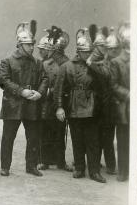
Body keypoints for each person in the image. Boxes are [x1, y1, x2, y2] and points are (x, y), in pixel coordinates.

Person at [55, 28, 105, 183]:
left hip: (92, 107)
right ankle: (79, 168)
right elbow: (59, 89)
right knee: (77, 139)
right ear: (78, 52)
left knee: (93, 141)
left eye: (89, 52)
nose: (87, 54)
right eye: (85, 52)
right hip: (74, 106)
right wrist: (59, 107)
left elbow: (103, 83)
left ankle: (95, 171)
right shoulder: (67, 66)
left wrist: (93, 65)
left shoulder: (95, 65)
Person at [0, 20, 48, 177]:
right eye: (28, 44)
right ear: (19, 45)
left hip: (32, 104)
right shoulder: (7, 61)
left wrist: (40, 92)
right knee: (8, 137)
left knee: (33, 137)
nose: (32, 47)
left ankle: (31, 166)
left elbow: (45, 78)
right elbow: (4, 81)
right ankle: (5, 166)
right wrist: (21, 91)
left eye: (32, 44)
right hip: (13, 105)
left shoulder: (38, 63)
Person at [37, 26, 73, 172]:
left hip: (62, 102)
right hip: (47, 102)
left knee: (60, 132)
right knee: (45, 132)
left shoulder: (68, 64)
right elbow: (40, 82)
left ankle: (60, 161)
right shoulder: (45, 64)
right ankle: (44, 161)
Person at [86, 25, 118, 175]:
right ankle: (96, 163)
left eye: (103, 46)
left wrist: (91, 63)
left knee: (107, 138)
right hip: (96, 104)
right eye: (99, 46)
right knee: (96, 136)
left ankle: (111, 166)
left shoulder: (109, 61)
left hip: (108, 104)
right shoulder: (94, 60)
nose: (102, 49)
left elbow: (104, 74)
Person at [109, 23, 130, 182]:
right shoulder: (116, 62)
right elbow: (113, 85)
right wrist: (129, 94)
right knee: (123, 140)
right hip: (125, 107)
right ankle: (123, 171)